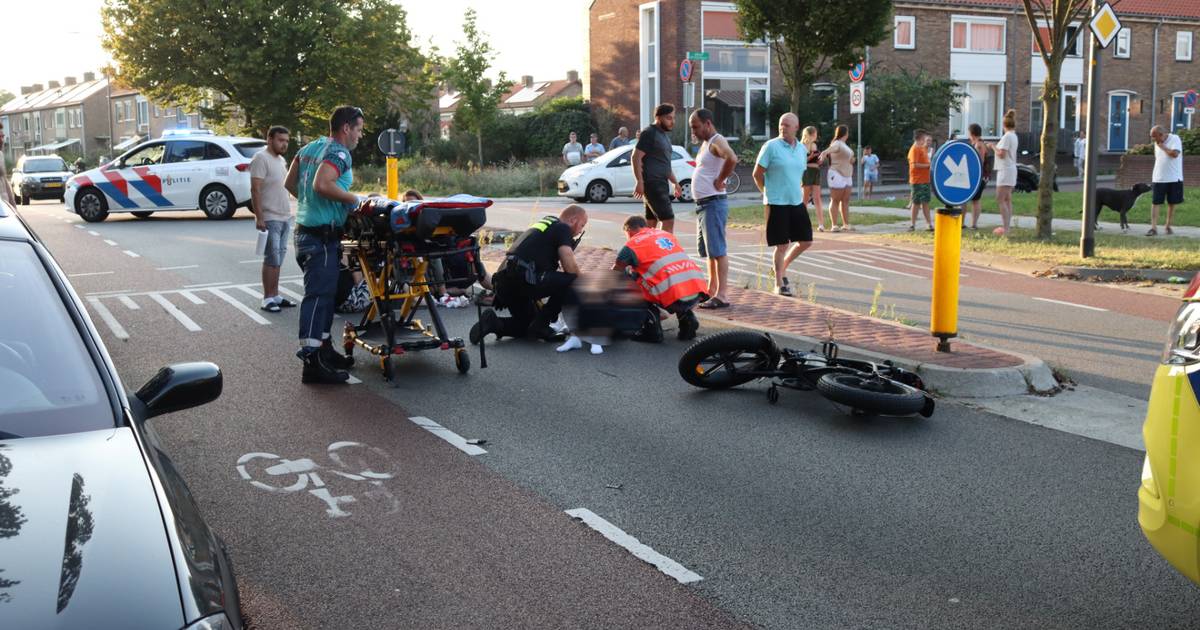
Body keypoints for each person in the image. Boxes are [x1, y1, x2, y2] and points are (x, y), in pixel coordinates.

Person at [283, 105, 365, 384]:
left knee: (325, 297)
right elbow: (322, 184)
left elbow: (290, 182)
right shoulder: (340, 153)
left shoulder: (308, 148)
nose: (360, 136)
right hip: (321, 236)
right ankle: (312, 361)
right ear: (346, 128)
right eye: (359, 129)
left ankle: (325, 349)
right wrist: (352, 200)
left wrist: (312, 204)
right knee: (319, 298)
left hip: (304, 232)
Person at [472, 205, 588, 343]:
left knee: (526, 326)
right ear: (572, 220)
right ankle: (542, 325)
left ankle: (493, 323)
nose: (580, 231)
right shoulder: (562, 228)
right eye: (582, 225)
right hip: (524, 280)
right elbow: (569, 266)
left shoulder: (546, 224)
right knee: (574, 280)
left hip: (505, 282)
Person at [610, 216, 703, 342]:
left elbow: (615, 272)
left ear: (629, 230)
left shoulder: (631, 245)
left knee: (628, 276)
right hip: (695, 291)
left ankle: (652, 328)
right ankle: (687, 319)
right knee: (668, 278)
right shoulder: (665, 234)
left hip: (671, 297)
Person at [752, 113, 811, 297]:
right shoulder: (771, 147)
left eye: (786, 125)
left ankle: (782, 266)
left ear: (796, 127)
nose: (783, 128)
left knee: (806, 241)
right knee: (781, 244)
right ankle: (779, 283)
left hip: (796, 201)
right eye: (780, 125)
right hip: (777, 202)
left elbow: (799, 174)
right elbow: (757, 173)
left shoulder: (802, 149)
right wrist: (767, 193)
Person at [688, 108, 738, 309]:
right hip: (703, 204)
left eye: (696, 127)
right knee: (710, 252)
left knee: (718, 250)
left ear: (708, 123)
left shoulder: (717, 141)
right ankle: (711, 290)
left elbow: (732, 158)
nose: (694, 131)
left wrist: (721, 179)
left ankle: (722, 294)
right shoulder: (706, 143)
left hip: (713, 202)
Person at [251, 125, 296, 313]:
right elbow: (255, 189)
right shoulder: (261, 158)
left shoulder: (281, 160)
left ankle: (275, 294)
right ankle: (267, 298)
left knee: (279, 257)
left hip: (285, 216)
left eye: (286, 141)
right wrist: (259, 216)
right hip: (270, 217)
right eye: (280, 140)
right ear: (269, 139)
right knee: (271, 258)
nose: (284, 144)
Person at [633, 103, 684, 233]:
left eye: (673, 118)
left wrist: (675, 182)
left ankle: (644, 251)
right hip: (653, 183)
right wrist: (639, 181)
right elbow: (636, 156)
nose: (672, 121)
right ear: (658, 117)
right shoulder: (649, 133)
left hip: (661, 183)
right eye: (669, 118)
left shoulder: (664, 136)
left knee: (651, 223)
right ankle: (665, 252)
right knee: (668, 220)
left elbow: (665, 164)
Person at [1148, 125, 1184, 236]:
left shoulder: (1175, 139)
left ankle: (1168, 226)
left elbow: (1175, 154)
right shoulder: (1157, 143)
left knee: (1172, 203)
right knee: (1155, 202)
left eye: (1155, 137)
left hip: (1174, 177)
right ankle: (1153, 228)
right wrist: (1160, 145)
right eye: (1152, 137)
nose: (1154, 140)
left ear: (1161, 134)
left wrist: (1163, 147)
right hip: (1159, 177)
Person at [990, 110, 1019, 234]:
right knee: (1007, 199)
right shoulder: (1013, 135)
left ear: (1004, 125)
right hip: (1011, 168)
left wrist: (992, 146)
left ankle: (1005, 228)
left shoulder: (1007, 136)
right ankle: (1007, 227)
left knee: (1000, 198)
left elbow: (1002, 154)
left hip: (1005, 170)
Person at [823, 124, 855, 232]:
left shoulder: (845, 145)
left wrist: (851, 160)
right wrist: (824, 153)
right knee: (835, 199)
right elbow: (830, 149)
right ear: (845, 133)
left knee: (845, 200)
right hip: (836, 173)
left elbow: (847, 158)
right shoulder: (837, 143)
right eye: (847, 132)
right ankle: (834, 225)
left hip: (847, 174)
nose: (848, 134)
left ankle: (846, 224)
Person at [966, 123, 993, 230]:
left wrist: (973, 173)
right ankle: (974, 223)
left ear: (972, 133)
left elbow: (979, 162)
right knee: (975, 200)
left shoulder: (978, 145)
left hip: (980, 176)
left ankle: (974, 224)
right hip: (982, 176)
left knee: (975, 200)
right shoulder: (981, 143)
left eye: (969, 133)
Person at [800, 126, 826, 232]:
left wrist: (820, 161)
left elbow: (817, 160)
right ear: (810, 134)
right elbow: (800, 162)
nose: (816, 135)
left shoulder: (815, 145)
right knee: (805, 199)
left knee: (817, 198)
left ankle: (821, 224)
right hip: (806, 172)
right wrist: (809, 158)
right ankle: (802, 223)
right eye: (815, 133)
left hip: (816, 171)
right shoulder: (801, 146)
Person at [907, 130, 933, 231]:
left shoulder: (922, 149)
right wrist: (928, 165)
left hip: (925, 180)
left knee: (925, 202)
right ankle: (912, 224)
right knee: (916, 203)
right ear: (920, 138)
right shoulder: (914, 150)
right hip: (917, 180)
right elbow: (914, 165)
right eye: (924, 139)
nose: (925, 141)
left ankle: (929, 223)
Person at [0, 123, 15, 206]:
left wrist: (13, 206)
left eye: (3, 136)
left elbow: (5, 181)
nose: (2, 140)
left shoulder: (1, 155)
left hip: (5, 207)